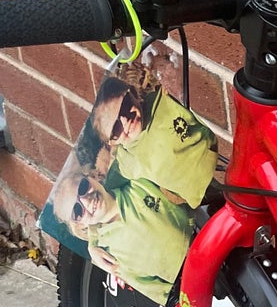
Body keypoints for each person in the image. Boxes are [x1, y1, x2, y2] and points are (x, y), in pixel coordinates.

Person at [50, 161, 195, 306]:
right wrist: (170, 299)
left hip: (200, 237)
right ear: (79, 224)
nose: (87, 201)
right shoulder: (108, 253)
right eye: (77, 210)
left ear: (92, 177)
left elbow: (123, 160)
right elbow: (139, 281)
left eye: (82, 187)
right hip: (184, 280)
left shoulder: (136, 185)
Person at [88, 75, 217, 209]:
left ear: (132, 92)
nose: (125, 120)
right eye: (116, 128)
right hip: (193, 194)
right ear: (113, 141)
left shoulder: (164, 101)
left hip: (214, 165)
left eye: (125, 105)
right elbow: (113, 180)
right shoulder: (126, 160)